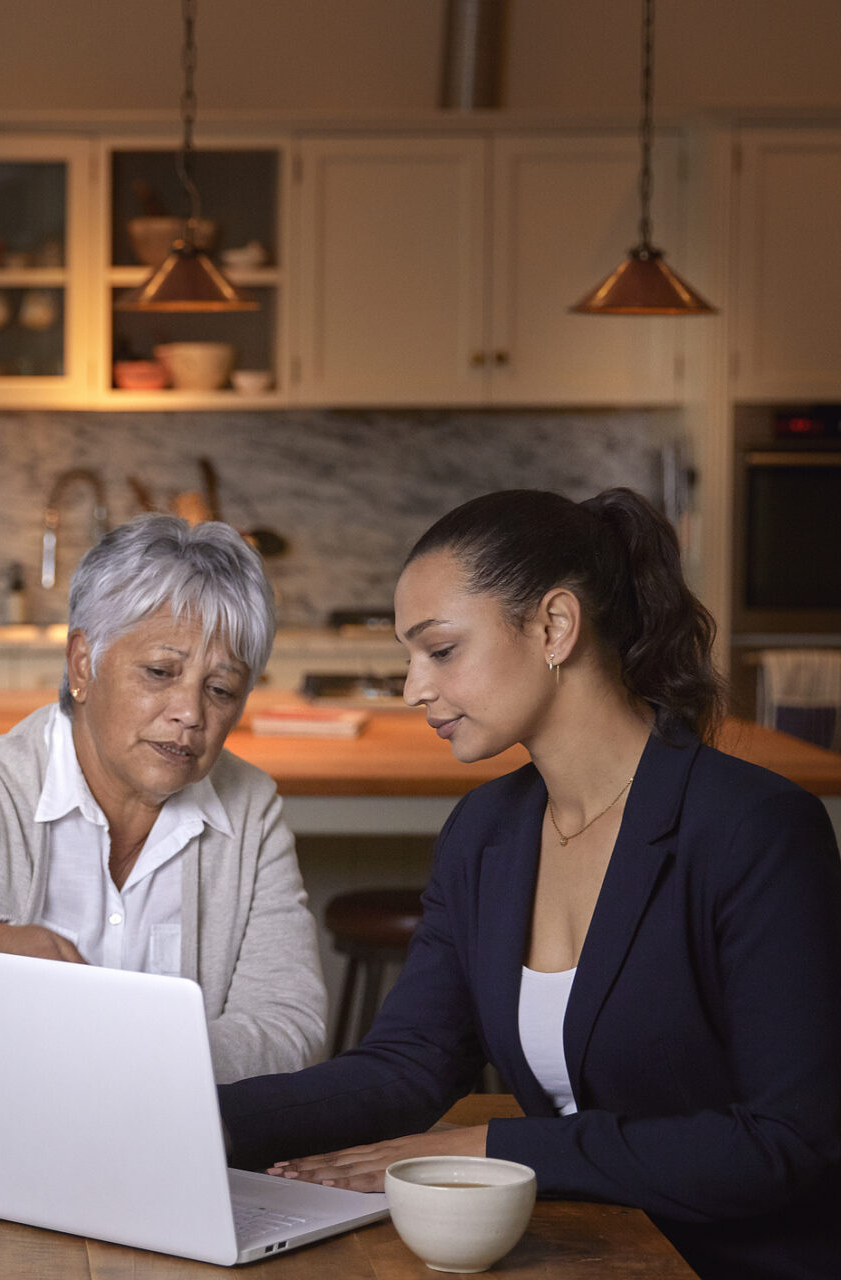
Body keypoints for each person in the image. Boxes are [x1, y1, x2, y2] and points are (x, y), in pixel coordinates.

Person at [218, 488, 841, 1280]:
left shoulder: (755, 830)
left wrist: (494, 1146)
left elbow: (785, 1140)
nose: (413, 688)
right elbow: (406, 1066)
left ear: (554, 626)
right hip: (582, 1251)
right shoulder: (485, 833)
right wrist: (198, 1119)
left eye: (440, 650)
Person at [0, 515, 326, 1091]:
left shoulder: (250, 808)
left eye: (220, 690)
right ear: (82, 665)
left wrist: (121, 1052)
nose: (191, 713)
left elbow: (292, 1029)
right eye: (160, 672)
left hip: (161, 1154)